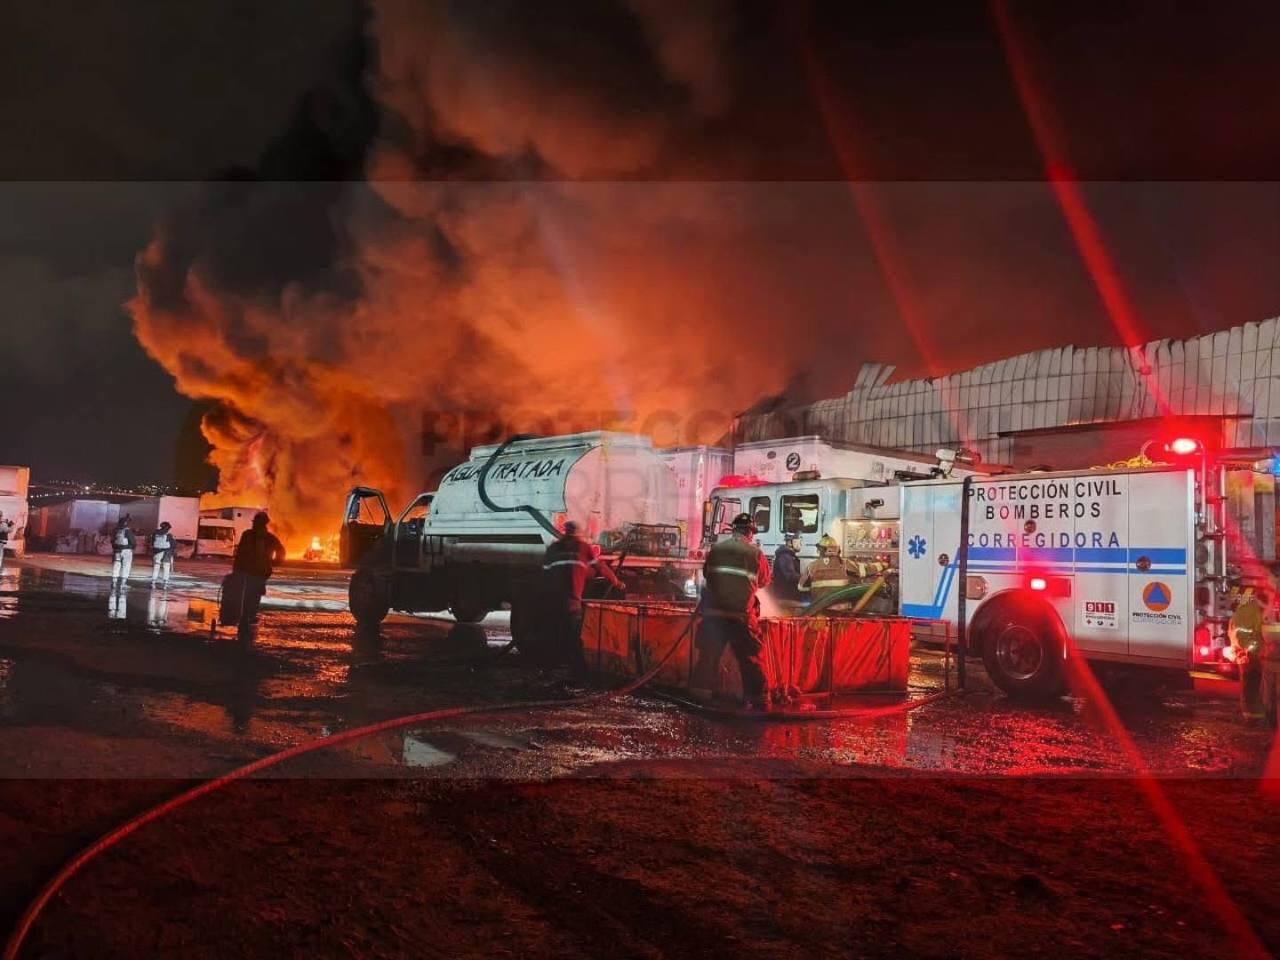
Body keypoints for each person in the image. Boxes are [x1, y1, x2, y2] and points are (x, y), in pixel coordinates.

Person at [699, 512, 773, 710]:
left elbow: (708, 574)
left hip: (714, 614)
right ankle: (757, 700)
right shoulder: (755, 553)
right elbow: (764, 581)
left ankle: (701, 696)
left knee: (709, 655)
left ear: (733, 530)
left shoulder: (716, 549)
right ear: (750, 532)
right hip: (740, 616)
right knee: (751, 657)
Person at [541, 520, 623, 673]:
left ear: (564, 532)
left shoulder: (553, 549)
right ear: (577, 533)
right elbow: (600, 567)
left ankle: (550, 667)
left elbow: (545, 572)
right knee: (573, 635)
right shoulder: (583, 548)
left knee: (554, 633)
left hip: (554, 601)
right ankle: (578, 669)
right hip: (572, 602)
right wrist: (616, 581)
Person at [232, 512, 286, 644]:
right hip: (260, 572)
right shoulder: (269, 538)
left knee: (248, 594)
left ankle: (246, 618)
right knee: (255, 594)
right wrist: (274, 563)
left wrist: (237, 569)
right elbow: (281, 551)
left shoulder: (248, 535)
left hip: (250, 572)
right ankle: (249, 616)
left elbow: (240, 554)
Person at [1229, 589, 1267, 722]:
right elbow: (1242, 637)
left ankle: (1255, 716)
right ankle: (1253, 718)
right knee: (1251, 686)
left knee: (1255, 686)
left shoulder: (1253, 610)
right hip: (1248, 656)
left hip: (1254, 655)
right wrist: (1254, 652)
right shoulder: (1248, 611)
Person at [798, 534, 854, 605]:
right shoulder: (845, 563)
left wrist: (814, 589)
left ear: (821, 550)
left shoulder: (811, 566)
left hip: (820, 608)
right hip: (842, 609)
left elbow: (800, 587)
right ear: (837, 549)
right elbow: (864, 571)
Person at [770, 533, 802, 604]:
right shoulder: (785, 556)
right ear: (790, 543)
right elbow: (790, 576)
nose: (801, 544)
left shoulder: (788, 556)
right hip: (786, 597)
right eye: (798, 542)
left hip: (788, 595)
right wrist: (804, 577)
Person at [110, 516, 136, 587]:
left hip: (117, 550)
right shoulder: (128, 531)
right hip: (126, 551)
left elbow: (112, 541)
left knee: (116, 565)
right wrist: (132, 548)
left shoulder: (115, 530)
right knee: (126, 566)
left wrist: (115, 548)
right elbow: (133, 542)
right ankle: (123, 583)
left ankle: (114, 582)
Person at [149, 521, 176, 587]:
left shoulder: (155, 533)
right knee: (166, 567)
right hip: (167, 552)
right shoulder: (169, 534)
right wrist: (172, 552)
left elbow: (152, 542)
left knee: (156, 567)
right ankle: (165, 584)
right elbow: (173, 544)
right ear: (167, 528)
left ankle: (153, 582)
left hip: (157, 552)